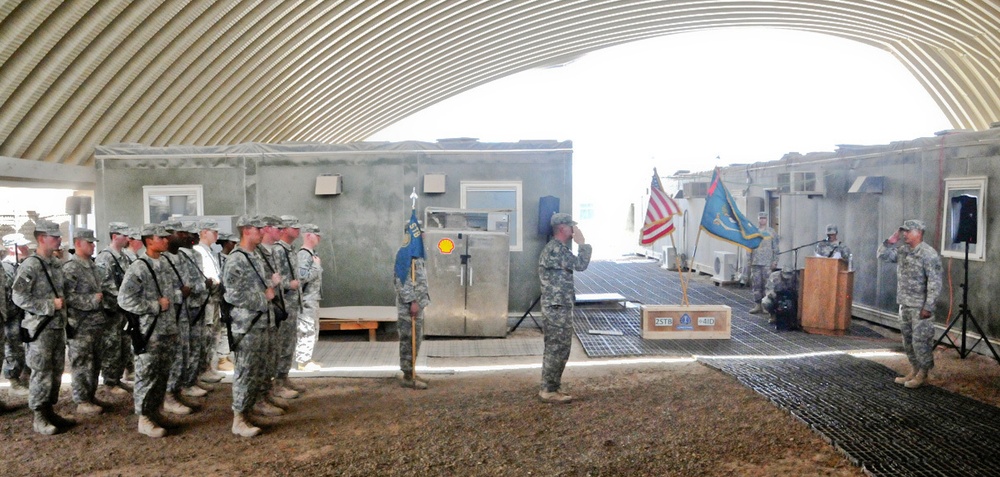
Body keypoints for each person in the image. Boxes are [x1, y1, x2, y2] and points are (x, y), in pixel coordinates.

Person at [12, 220, 75, 435]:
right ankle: (39, 416)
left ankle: (49, 410)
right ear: (41, 238)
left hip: (57, 327)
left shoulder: (55, 264)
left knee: (56, 370)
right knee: (41, 371)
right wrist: (48, 305)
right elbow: (18, 296)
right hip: (40, 329)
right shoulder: (31, 265)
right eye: (54, 237)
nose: (59, 240)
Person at [118, 224, 180, 437]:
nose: (165, 240)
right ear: (148, 240)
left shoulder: (165, 263)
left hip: (167, 329)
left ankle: (156, 412)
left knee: (162, 375)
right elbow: (124, 299)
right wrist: (154, 305)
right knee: (147, 375)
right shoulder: (139, 267)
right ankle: (144, 419)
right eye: (160, 237)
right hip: (149, 331)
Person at [222, 215, 278, 437]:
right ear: (246, 230)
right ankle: (239, 418)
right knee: (245, 372)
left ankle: (250, 408)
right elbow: (232, 294)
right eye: (258, 228)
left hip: (261, 322)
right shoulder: (236, 259)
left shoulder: (254, 256)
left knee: (258, 370)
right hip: (246, 326)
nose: (262, 232)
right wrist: (263, 298)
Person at [877, 219, 943, 389]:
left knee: (921, 342)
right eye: (903, 231)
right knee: (908, 341)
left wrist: (928, 307)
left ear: (918, 232)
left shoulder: (929, 254)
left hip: (920, 307)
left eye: (907, 231)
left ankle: (923, 373)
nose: (904, 234)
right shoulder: (903, 250)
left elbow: (935, 283)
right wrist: (890, 241)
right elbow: (882, 256)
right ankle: (914, 370)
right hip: (905, 304)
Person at [537, 213, 592, 404]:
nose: (573, 230)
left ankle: (552, 385)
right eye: (571, 227)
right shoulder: (556, 250)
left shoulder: (557, 249)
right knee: (557, 348)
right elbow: (580, 264)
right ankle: (548, 390)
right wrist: (582, 243)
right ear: (562, 228)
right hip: (556, 308)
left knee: (559, 348)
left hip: (558, 306)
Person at [62, 228, 113, 416]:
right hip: (80, 324)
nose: (93, 246)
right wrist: (92, 300)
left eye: (93, 243)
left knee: (95, 362)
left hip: (96, 323)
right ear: (77, 244)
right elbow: (67, 297)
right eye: (89, 243)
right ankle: (82, 400)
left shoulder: (93, 266)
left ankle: (90, 396)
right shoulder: (71, 268)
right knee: (82, 363)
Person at [95, 222, 133, 396]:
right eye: (124, 235)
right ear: (114, 236)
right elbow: (105, 284)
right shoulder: (105, 257)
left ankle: (117, 378)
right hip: (112, 311)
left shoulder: (124, 257)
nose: (127, 238)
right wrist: (123, 298)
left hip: (124, 311)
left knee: (124, 346)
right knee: (112, 346)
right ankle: (110, 381)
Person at [394, 215, 430, 390]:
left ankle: (412, 370)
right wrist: (412, 301)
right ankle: (408, 375)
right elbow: (401, 282)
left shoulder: (417, 254)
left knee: (416, 339)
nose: (422, 235)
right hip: (409, 307)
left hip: (418, 305)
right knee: (409, 340)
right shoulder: (404, 254)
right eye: (419, 232)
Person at [272, 215, 304, 394]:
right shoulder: (277, 250)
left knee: (290, 342)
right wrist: (287, 284)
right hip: (283, 303)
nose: (297, 230)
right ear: (283, 229)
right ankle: (277, 382)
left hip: (292, 302)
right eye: (293, 226)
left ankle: (284, 377)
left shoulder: (290, 249)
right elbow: (273, 276)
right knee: (282, 343)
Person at [192, 219, 224, 384]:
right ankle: (203, 369)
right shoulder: (198, 251)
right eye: (214, 232)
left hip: (214, 299)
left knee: (214, 335)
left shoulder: (210, 251)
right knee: (207, 334)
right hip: (206, 300)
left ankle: (209, 367)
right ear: (204, 232)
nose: (217, 235)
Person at [2, 233, 30, 396]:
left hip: (21, 313)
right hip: (12, 314)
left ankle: (23, 376)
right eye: (21, 246)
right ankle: (13, 380)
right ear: (11, 248)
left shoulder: (20, 265)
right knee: (13, 347)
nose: (25, 248)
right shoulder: (6, 268)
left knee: (23, 346)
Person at [295, 224, 323, 371]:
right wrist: (316, 267)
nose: (319, 237)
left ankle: (307, 358)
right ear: (307, 235)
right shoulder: (304, 255)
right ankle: (303, 361)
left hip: (312, 298)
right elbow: (302, 277)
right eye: (316, 234)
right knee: (306, 329)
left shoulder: (312, 253)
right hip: (306, 299)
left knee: (312, 329)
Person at [214, 232, 237, 372]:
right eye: (233, 243)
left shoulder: (232, 258)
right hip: (222, 297)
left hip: (231, 297)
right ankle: (222, 357)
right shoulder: (218, 259)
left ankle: (226, 355)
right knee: (223, 328)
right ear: (227, 243)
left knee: (229, 327)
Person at [748, 212, 779, 314]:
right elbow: (749, 247)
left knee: (767, 285)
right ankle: (757, 304)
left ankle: (766, 305)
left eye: (764, 218)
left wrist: (775, 261)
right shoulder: (754, 232)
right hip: (755, 262)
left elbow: (775, 248)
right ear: (758, 219)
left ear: (766, 220)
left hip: (767, 262)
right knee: (756, 284)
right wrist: (749, 260)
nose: (762, 220)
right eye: (760, 218)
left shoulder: (771, 232)